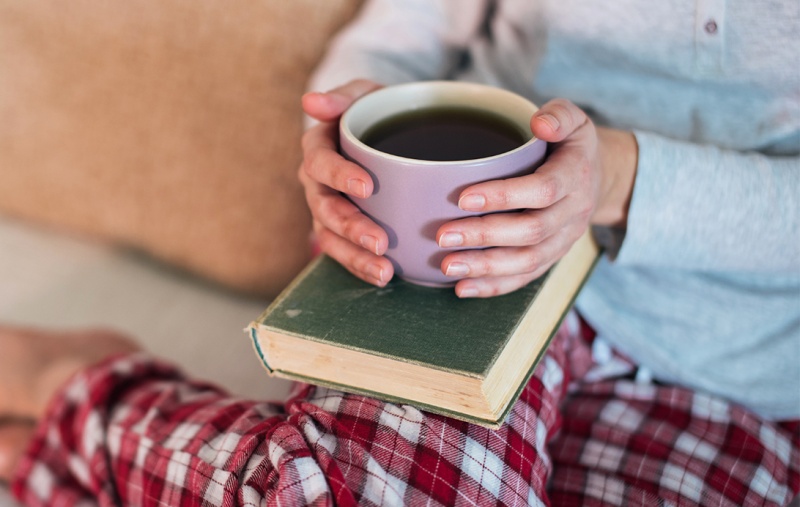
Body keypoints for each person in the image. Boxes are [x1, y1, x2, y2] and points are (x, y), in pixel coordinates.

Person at [2, 0, 798, 505]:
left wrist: (624, 178)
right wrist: (340, 134)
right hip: (459, 261)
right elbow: (395, 39)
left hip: (735, 358)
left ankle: (87, 393)